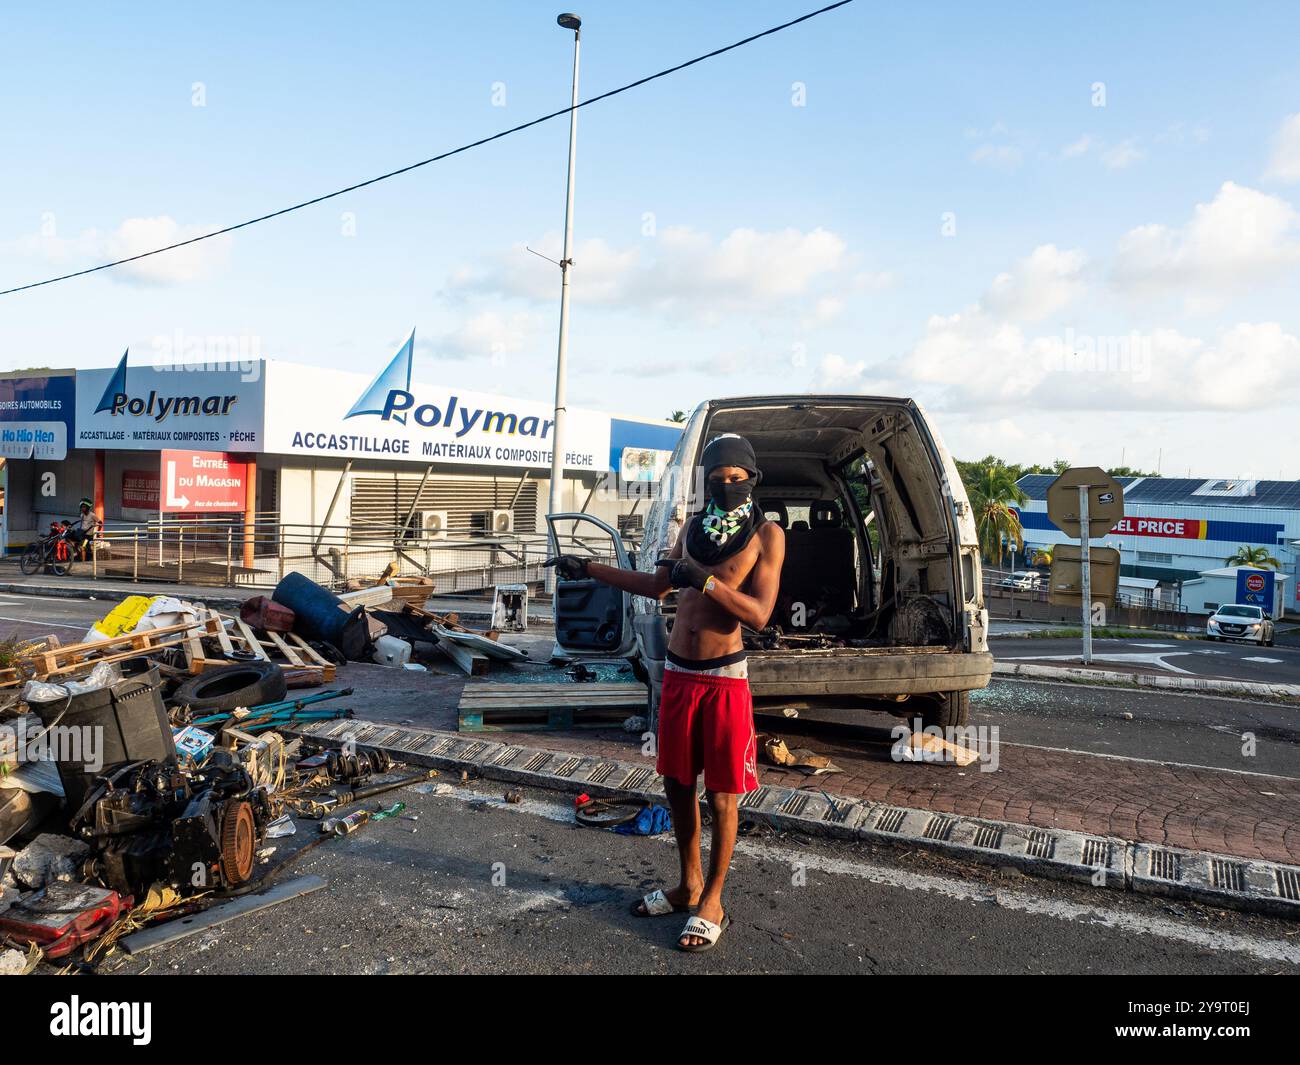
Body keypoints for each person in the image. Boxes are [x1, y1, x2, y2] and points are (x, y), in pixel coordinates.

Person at [546, 434, 784, 952]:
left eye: (734, 480)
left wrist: (704, 582)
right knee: (677, 783)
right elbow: (654, 587)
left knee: (722, 793)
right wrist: (587, 568)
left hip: (724, 677)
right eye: (716, 478)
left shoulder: (767, 535)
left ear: (751, 480)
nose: (724, 486)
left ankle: (714, 899)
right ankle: (687, 883)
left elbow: (761, 615)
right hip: (678, 673)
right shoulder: (694, 528)